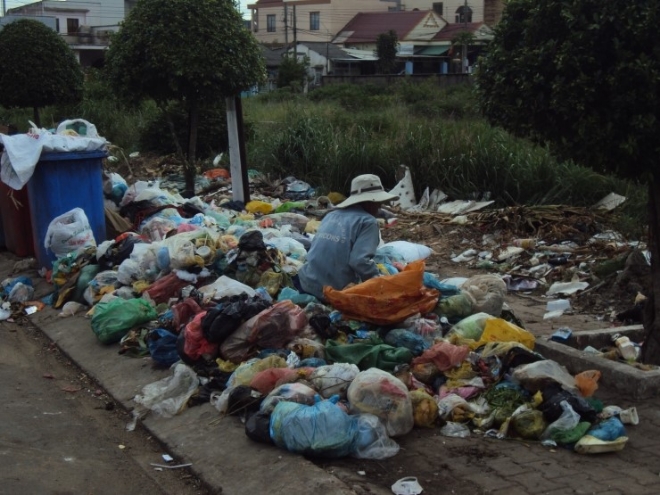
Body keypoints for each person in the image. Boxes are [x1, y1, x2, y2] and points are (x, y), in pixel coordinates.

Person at [295, 174, 398, 300]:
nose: (380, 206)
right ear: (370, 201)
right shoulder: (368, 221)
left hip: (306, 282)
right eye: (378, 202)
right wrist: (379, 285)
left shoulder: (332, 215)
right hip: (332, 292)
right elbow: (359, 261)